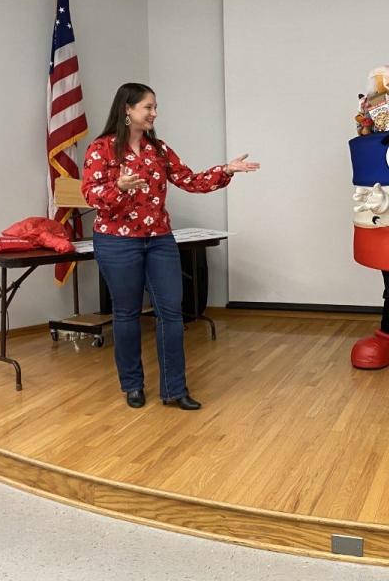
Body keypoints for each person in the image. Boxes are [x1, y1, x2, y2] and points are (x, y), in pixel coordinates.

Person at [81, 82, 259, 410]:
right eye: (148, 107)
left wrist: (226, 170)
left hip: (159, 240)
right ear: (127, 110)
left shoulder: (159, 149)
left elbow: (189, 180)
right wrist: (118, 186)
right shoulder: (101, 149)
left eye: (154, 107)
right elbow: (91, 196)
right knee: (126, 313)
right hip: (118, 242)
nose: (154, 113)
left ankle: (174, 389)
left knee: (171, 313)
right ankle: (132, 385)